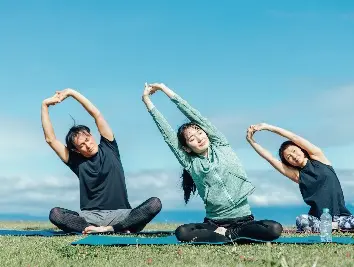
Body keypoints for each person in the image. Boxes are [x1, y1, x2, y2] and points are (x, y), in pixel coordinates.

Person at [142, 82, 282, 242]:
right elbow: (167, 134)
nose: (199, 138)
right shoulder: (190, 163)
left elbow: (193, 114)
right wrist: (147, 100)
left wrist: (163, 88)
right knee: (182, 232)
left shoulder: (221, 144)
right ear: (187, 148)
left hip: (244, 221)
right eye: (192, 139)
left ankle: (228, 235)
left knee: (274, 229)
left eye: (200, 133)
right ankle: (222, 235)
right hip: (214, 223)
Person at [41, 88, 162, 234]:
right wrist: (45, 106)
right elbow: (51, 139)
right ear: (76, 150)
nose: (88, 145)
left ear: (91, 135)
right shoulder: (76, 162)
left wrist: (72, 93)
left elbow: (96, 114)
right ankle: (93, 229)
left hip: (122, 215)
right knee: (55, 214)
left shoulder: (109, 146)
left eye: (87, 139)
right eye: (82, 145)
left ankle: (111, 229)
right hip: (91, 217)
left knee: (155, 203)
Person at [246, 122, 354, 232]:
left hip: (343, 218)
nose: (293, 156)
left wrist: (267, 127)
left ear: (301, 148)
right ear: (287, 162)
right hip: (319, 220)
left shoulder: (319, 158)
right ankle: (335, 227)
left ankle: (335, 226)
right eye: (289, 157)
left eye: (294, 151)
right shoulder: (298, 175)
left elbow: (293, 137)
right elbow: (270, 158)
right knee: (301, 220)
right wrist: (251, 142)